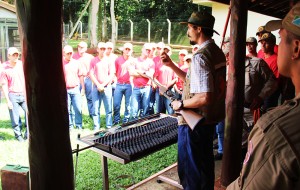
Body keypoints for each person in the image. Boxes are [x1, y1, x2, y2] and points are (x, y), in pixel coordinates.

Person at [227, 2, 300, 189]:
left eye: (281, 39)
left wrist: (259, 97)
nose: (276, 46)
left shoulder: (276, 130)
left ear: (296, 48)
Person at [161, 11, 226, 189]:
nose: (187, 32)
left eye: (189, 28)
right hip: (207, 123)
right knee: (204, 169)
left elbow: (205, 96)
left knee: (191, 174)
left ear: (198, 29)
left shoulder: (200, 56)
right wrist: (171, 65)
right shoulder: (216, 52)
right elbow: (194, 82)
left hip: (193, 126)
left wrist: (180, 104)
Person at [0, 47, 27, 141]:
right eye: (13, 55)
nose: (16, 56)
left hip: (23, 94)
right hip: (13, 95)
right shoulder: (5, 69)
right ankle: (18, 136)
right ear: (9, 56)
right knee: (15, 118)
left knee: (29, 114)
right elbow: (4, 85)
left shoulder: (22, 65)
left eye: (17, 54)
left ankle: (28, 134)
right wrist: (8, 100)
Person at [90, 42, 115, 130]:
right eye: (101, 49)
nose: (103, 50)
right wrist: (98, 85)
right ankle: (96, 127)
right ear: (97, 49)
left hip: (107, 87)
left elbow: (111, 74)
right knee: (96, 109)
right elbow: (91, 74)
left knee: (108, 109)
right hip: (96, 88)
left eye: (104, 49)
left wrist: (103, 85)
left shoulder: (110, 60)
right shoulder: (93, 60)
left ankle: (109, 126)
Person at [128, 43, 155, 120]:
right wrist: (144, 73)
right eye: (147, 49)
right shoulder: (135, 60)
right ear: (142, 49)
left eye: (150, 50)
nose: (148, 51)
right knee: (134, 110)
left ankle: (143, 128)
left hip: (146, 88)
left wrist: (138, 71)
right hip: (136, 88)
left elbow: (150, 75)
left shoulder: (151, 62)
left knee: (145, 110)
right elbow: (131, 73)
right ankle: (133, 127)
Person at [62, 45, 84, 130]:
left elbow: (81, 75)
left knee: (78, 108)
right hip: (65, 90)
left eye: (71, 53)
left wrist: (83, 88)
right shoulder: (61, 64)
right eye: (68, 53)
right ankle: (70, 126)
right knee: (67, 109)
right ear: (64, 53)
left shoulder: (77, 63)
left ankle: (79, 125)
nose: (70, 55)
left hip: (75, 89)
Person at [258, 33, 280, 110]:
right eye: (261, 43)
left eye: (266, 43)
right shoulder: (260, 58)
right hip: (259, 91)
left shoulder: (277, 60)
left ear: (273, 44)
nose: (263, 45)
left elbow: (274, 82)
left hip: (270, 94)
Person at [113, 43, 134, 125]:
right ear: (123, 50)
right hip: (119, 84)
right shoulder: (118, 60)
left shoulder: (133, 61)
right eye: (126, 49)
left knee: (128, 105)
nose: (127, 51)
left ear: (131, 51)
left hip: (129, 84)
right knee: (116, 104)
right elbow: (115, 71)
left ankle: (126, 120)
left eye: (129, 49)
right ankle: (116, 120)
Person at [72, 41, 94, 118]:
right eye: (79, 47)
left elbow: (94, 69)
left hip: (88, 79)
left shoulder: (90, 57)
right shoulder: (73, 56)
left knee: (90, 98)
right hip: (77, 79)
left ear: (86, 48)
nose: (80, 49)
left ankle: (92, 115)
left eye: (82, 47)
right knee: (77, 98)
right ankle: (77, 116)